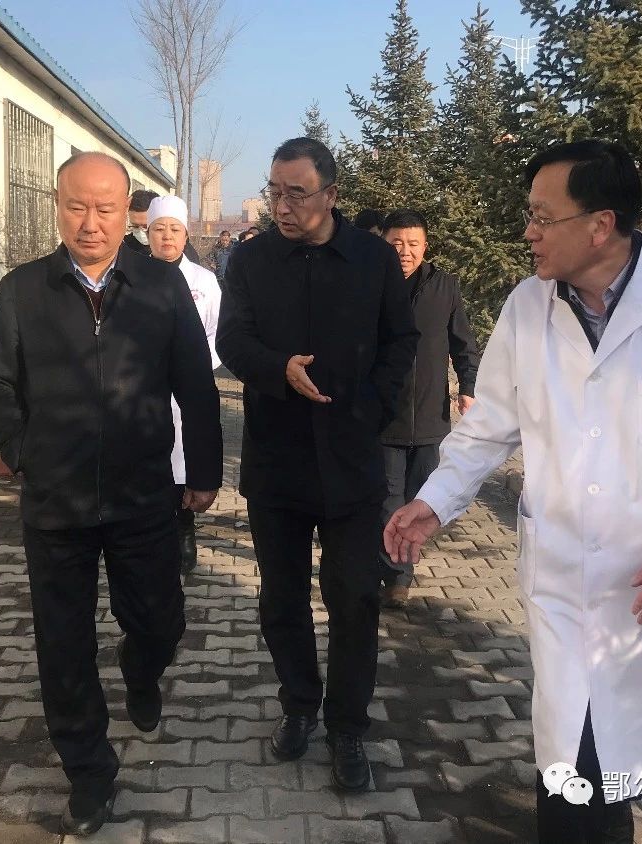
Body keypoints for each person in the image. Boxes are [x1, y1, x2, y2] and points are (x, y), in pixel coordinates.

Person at [384, 140, 642, 843]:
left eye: (542, 216)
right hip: (564, 579)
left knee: (602, 771)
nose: (528, 231)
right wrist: (434, 500)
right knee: (573, 764)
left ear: (600, 225)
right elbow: (488, 425)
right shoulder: (527, 306)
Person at [0, 151, 223, 837]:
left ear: (127, 215)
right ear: (57, 206)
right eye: (77, 206)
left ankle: (141, 669)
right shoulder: (24, 290)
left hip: (144, 494)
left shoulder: (160, 285)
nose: (90, 222)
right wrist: (22, 450)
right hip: (56, 504)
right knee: (63, 644)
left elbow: (195, 384)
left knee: (161, 621)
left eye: (105, 209)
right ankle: (88, 771)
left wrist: (203, 472)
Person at [216, 137, 418, 792]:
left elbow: (401, 340)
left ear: (330, 195)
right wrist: (277, 368)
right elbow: (231, 340)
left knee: (354, 598)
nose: (282, 206)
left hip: (351, 459)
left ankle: (348, 727)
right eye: (275, 192)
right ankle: (299, 704)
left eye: (296, 194)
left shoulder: (372, 258)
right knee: (281, 598)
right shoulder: (251, 261)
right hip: (277, 461)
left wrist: (373, 407)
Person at [376, 209, 479, 608]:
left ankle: (397, 569)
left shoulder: (444, 286)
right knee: (388, 498)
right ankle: (396, 575)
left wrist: (467, 387)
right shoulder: (370, 285)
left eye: (413, 244)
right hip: (385, 416)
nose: (405, 251)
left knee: (418, 497)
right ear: (383, 244)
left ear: (425, 246)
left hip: (430, 415)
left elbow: (463, 343)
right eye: (396, 243)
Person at [147, 194, 223, 573]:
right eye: (159, 229)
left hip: (189, 387)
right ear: (147, 234)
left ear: (186, 235)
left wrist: (191, 367)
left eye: (174, 230)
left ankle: (184, 529)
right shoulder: (133, 277)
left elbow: (216, 332)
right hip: (145, 389)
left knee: (184, 459)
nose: (167, 237)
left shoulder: (204, 281)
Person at [123, 188, 201, 263]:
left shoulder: (184, 252)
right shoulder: (124, 247)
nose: (141, 232)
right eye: (135, 226)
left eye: (145, 227)